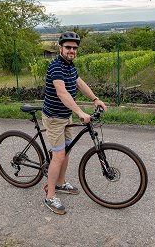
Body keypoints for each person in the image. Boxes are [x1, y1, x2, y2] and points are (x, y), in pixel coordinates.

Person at [42, 31, 107, 214]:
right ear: (60, 48)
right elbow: (62, 93)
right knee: (59, 155)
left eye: (74, 48)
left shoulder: (70, 65)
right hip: (54, 118)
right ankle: (50, 196)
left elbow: (80, 83)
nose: (72, 50)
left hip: (65, 117)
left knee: (67, 151)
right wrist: (79, 112)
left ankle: (61, 183)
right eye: (68, 47)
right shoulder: (55, 66)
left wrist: (95, 99)